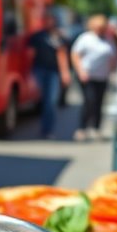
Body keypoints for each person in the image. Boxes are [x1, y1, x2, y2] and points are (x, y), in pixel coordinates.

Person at [71, 14, 117, 142]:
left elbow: (113, 56)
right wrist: (81, 71)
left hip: (102, 76)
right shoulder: (85, 38)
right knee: (89, 101)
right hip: (87, 75)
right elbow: (75, 54)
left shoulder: (108, 39)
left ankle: (96, 128)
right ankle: (82, 128)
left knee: (99, 103)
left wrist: (113, 71)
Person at [27, 10, 72, 139]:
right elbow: (30, 54)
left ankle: (47, 129)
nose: (48, 22)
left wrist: (65, 73)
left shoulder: (58, 37)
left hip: (53, 72)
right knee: (41, 99)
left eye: (51, 19)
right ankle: (42, 125)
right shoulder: (37, 36)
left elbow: (62, 55)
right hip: (39, 69)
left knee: (51, 101)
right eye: (46, 19)